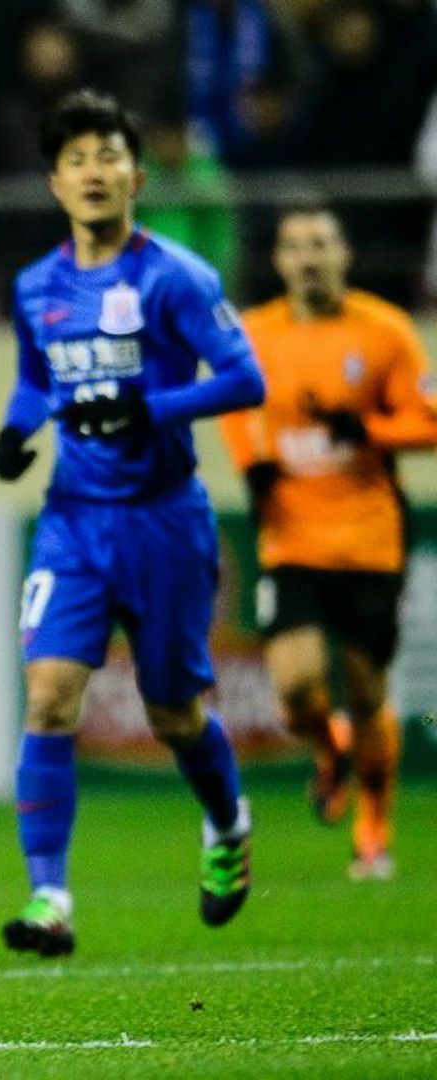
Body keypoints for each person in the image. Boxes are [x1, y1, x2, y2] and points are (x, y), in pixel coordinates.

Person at [0, 90, 266, 959]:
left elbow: (243, 379)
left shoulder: (176, 276)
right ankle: (49, 898)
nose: (94, 172)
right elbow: (38, 375)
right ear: (55, 181)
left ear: (138, 175)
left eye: (109, 156)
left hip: (163, 521)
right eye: (76, 160)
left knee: (175, 713)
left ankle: (227, 822)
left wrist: (146, 405)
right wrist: (15, 427)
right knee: (48, 698)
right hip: (74, 519)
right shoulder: (37, 285)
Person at [220, 202, 437, 882]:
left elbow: (429, 423)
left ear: (343, 255)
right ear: (280, 262)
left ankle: (374, 825)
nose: (307, 257)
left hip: (371, 539)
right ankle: (327, 742)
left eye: (320, 243)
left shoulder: (385, 332)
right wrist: (250, 463)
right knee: (296, 688)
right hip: (293, 540)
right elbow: (231, 403)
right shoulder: (255, 333)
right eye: (294, 246)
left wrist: (369, 431)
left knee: (370, 690)